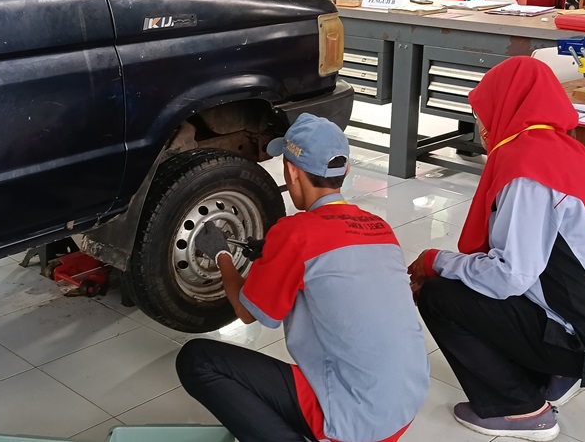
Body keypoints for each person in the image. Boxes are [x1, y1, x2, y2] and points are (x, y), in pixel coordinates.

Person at [408, 56, 585, 442]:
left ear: (506, 107)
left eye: (483, 112)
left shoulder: (528, 170)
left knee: (439, 296)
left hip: (583, 339)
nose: (482, 125)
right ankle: (551, 374)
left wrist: (436, 261)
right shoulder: (562, 149)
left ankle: (520, 409)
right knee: (464, 281)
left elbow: (509, 276)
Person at [176, 113, 430, 442]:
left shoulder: (296, 233)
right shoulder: (380, 228)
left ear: (292, 171)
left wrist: (221, 254)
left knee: (197, 360)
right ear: (345, 171)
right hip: (403, 405)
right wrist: (272, 257)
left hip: (355, 420)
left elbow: (246, 312)